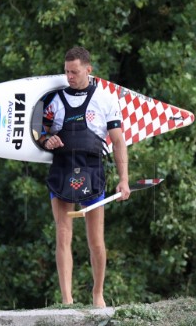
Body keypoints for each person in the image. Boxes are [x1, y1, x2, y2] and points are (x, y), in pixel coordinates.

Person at [38, 47, 130, 308]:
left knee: (96, 241)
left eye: (75, 72)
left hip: (92, 171)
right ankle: (67, 300)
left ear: (89, 70)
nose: (69, 77)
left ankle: (97, 294)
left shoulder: (106, 99)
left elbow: (118, 141)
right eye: (66, 72)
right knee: (63, 234)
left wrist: (124, 179)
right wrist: (47, 139)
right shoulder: (53, 100)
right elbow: (38, 135)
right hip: (61, 170)